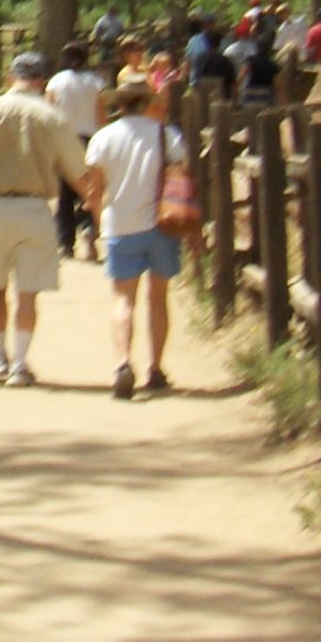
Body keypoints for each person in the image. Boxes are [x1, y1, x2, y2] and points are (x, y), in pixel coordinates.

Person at [0, 51, 89, 386]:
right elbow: (78, 174)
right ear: (41, 81)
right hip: (35, 209)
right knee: (28, 292)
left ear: (11, 77)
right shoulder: (52, 117)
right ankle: (20, 365)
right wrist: (98, 208)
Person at [83, 75, 187, 399]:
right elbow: (181, 178)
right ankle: (155, 368)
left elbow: (95, 189)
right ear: (147, 102)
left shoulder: (103, 138)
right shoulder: (166, 134)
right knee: (158, 298)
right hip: (162, 224)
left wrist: (100, 223)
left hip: (121, 225)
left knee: (123, 299)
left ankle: (123, 363)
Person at [45, 40, 107, 262]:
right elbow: (100, 116)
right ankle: (89, 231)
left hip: (63, 138)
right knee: (89, 188)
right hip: (89, 138)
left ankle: (65, 242)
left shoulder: (55, 82)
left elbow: (48, 114)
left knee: (64, 192)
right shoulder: (95, 82)